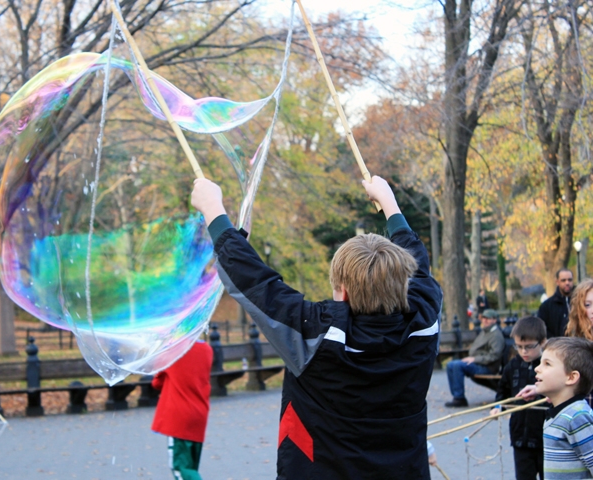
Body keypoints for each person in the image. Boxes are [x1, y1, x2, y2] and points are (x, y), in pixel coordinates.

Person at [191, 175, 442, 479]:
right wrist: (389, 203)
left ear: (343, 292)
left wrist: (213, 209)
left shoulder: (316, 335)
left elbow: (256, 284)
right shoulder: (424, 323)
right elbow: (418, 265)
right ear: (404, 283)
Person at [490, 316, 547, 480]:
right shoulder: (512, 366)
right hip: (520, 436)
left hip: (545, 437)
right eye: (519, 346)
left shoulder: (548, 366)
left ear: (542, 342)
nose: (523, 352)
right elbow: (503, 392)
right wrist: (497, 407)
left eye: (529, 347)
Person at [530, 337, 593, 478]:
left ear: (571, 377)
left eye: (547, 364)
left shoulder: (577, 417)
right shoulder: (560, 414)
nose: (537, 368)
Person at [151, 339, 213, 480]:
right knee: (191, 468)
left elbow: (157, 383)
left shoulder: (173, 349)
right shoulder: (206, 349)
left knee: (180, 469)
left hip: (179, 416)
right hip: (199, 414)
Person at [445, 309, 506, 407]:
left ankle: (459, 398)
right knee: (450, 365)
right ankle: (456, 396)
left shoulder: (496, 335)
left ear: (494, 320)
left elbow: (494, 355)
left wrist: (474, 359)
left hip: (487, 367)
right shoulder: (485, 332)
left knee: (457, 365)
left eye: (488, 318)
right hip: (478, 363)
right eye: (484, 318)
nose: (485, 320)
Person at [538, 269, 575, 338]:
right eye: (563, 280)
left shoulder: (581, 302)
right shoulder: (547, 306)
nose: (567, 283)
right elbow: (542, 328)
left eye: (570, 280)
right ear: (557, 282)